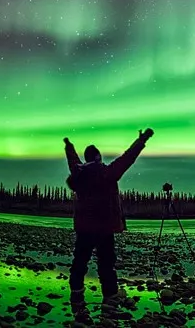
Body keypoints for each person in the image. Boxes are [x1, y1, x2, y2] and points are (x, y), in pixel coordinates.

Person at [64, 128, 154, 314]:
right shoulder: (108, 173)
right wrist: (142, 140)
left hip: (84, 227)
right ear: (98, 158)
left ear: (86, 158)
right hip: (105, 227)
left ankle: (76, 295)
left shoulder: (79, 172)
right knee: (106, 263)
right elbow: (128, 157)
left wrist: (68, 146)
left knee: (80, 260)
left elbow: (72, 159)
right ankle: (110, 299)